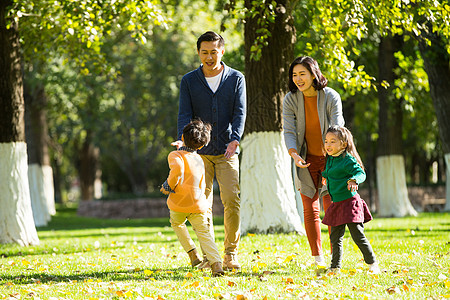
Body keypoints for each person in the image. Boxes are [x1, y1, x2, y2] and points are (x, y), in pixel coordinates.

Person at [173, 31, 246, 270]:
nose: (209, 56)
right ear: (198, 53)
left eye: (214, 52)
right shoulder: (189, 81)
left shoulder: (236, 78)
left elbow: (239, 113)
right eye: (204, 52)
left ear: (222, 51)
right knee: (200, 205)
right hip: (198, 153)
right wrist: (183, 142)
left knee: (231, 200)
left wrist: (235, 140)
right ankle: (210, 256)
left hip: (227, 150)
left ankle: (230, 253)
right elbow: (184, 114)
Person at [282, 56, 344, 266]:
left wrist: (332, 154)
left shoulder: (330, 96)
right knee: (310, 209)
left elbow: (338, 126)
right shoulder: (290, 99)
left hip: (331, 160)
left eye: (302, 74)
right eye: (294, 75)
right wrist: (293, 154)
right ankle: (317, 258)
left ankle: (336, 258)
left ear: (313, 74)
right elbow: (289, 130)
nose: (298, 79)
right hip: (305, 161)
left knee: (331, 208)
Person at [160, 120, 224, 277]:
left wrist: (167, 187)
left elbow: (177, 170)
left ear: (182, 136)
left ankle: (193, 254)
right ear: (201, 146)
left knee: (177, 223)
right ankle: (216, 264)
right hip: (197, 204)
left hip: (178, 204)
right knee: (204, 233)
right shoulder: (199, 159)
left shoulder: (175, 155)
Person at [321, 126, 380, 274]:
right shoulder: (330, 158)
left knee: (358, 236)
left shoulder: (347, 159)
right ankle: (335, 267)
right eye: (326, 141)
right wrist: (325, 176)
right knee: (335, 238)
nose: (328, 145)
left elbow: (360, 173)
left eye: (333, 141)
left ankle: (373, 263)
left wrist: (354, 180)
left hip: (350, 203)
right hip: (337, 204)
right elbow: (330, 171)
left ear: (343, 144)